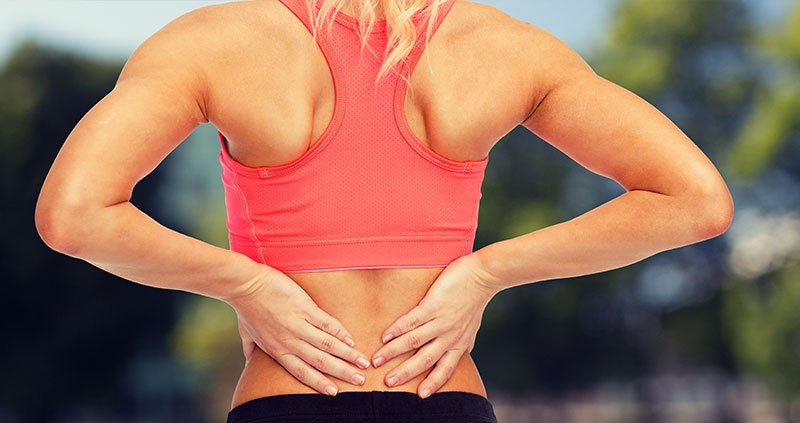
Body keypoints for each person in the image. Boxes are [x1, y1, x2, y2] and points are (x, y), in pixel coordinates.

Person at [34, 0, 734, 421]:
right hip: (443, 401)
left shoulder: (216, 42)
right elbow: (695, 200)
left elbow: (74, 214)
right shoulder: (500, 48)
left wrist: (246, 283)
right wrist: (484, 272)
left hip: (290, 399)